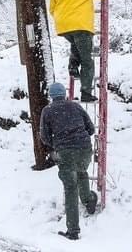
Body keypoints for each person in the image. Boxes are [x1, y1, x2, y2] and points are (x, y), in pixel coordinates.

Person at [40, 81, 98, 241]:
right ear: (64, 94)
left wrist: (57, 144)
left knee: (70, 188)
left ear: (51, 96)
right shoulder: (75, 106)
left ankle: (73, 230)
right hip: (84, 148)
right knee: (81, 172)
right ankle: (88, 199)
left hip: (65, 152)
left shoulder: (48, 111)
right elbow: (91, 129)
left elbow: (44, 136)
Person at [49, 0, 107, 102]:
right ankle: (86, 92)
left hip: (63, 26)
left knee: (75, 45)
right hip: (82, 25)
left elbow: (51, 8)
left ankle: (73, 66)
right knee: (87, 60)